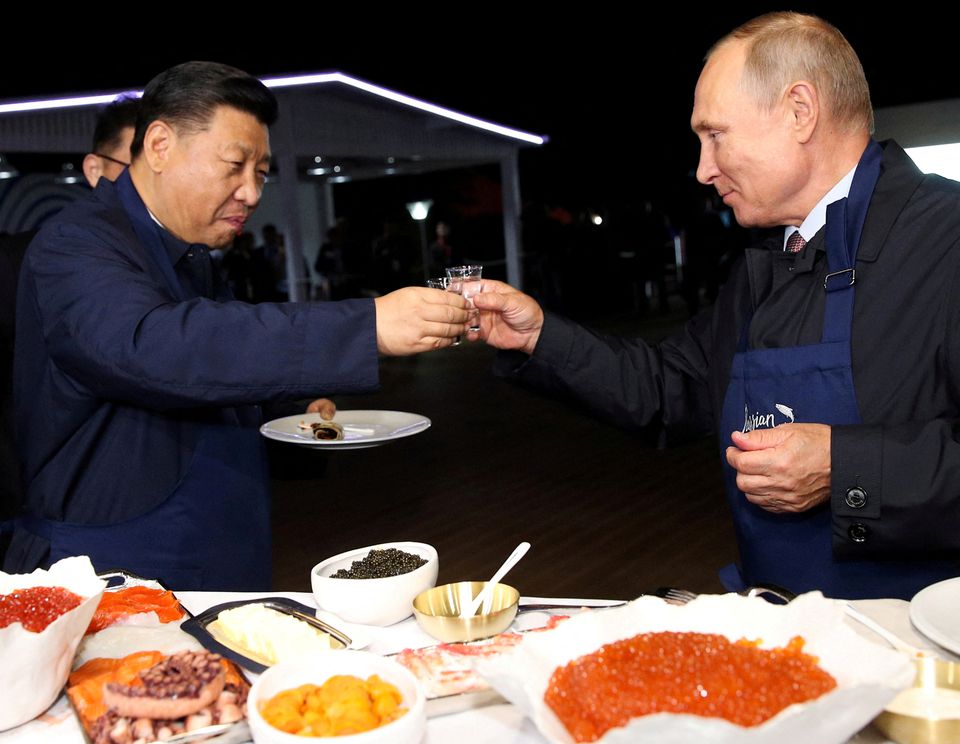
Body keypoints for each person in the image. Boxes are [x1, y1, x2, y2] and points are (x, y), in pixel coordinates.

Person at [473, 12, 960, 600]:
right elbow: (669, 389)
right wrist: (537, 337)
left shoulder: (946, 237)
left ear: (799, 111)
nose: (703, 169)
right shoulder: (772, 259)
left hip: (915, 651)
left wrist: (845, 468)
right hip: (780, 631)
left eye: (715, 134)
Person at [7, 62, 467, 590]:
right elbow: (153, 347)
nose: (251, 192)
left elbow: (223, 364)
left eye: (262, 172)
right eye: (234, 165)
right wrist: (366, 326)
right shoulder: (77, 242)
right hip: (115, 559)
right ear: (159, 145)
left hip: (221, 541)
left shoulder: (194, 251)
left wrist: (291, 408)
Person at [1, 97, 140, 538]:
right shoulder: (25, 258)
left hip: (124, 510)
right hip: (35, 504)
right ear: (95, 170)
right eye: (134, 168)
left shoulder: (182, 266)